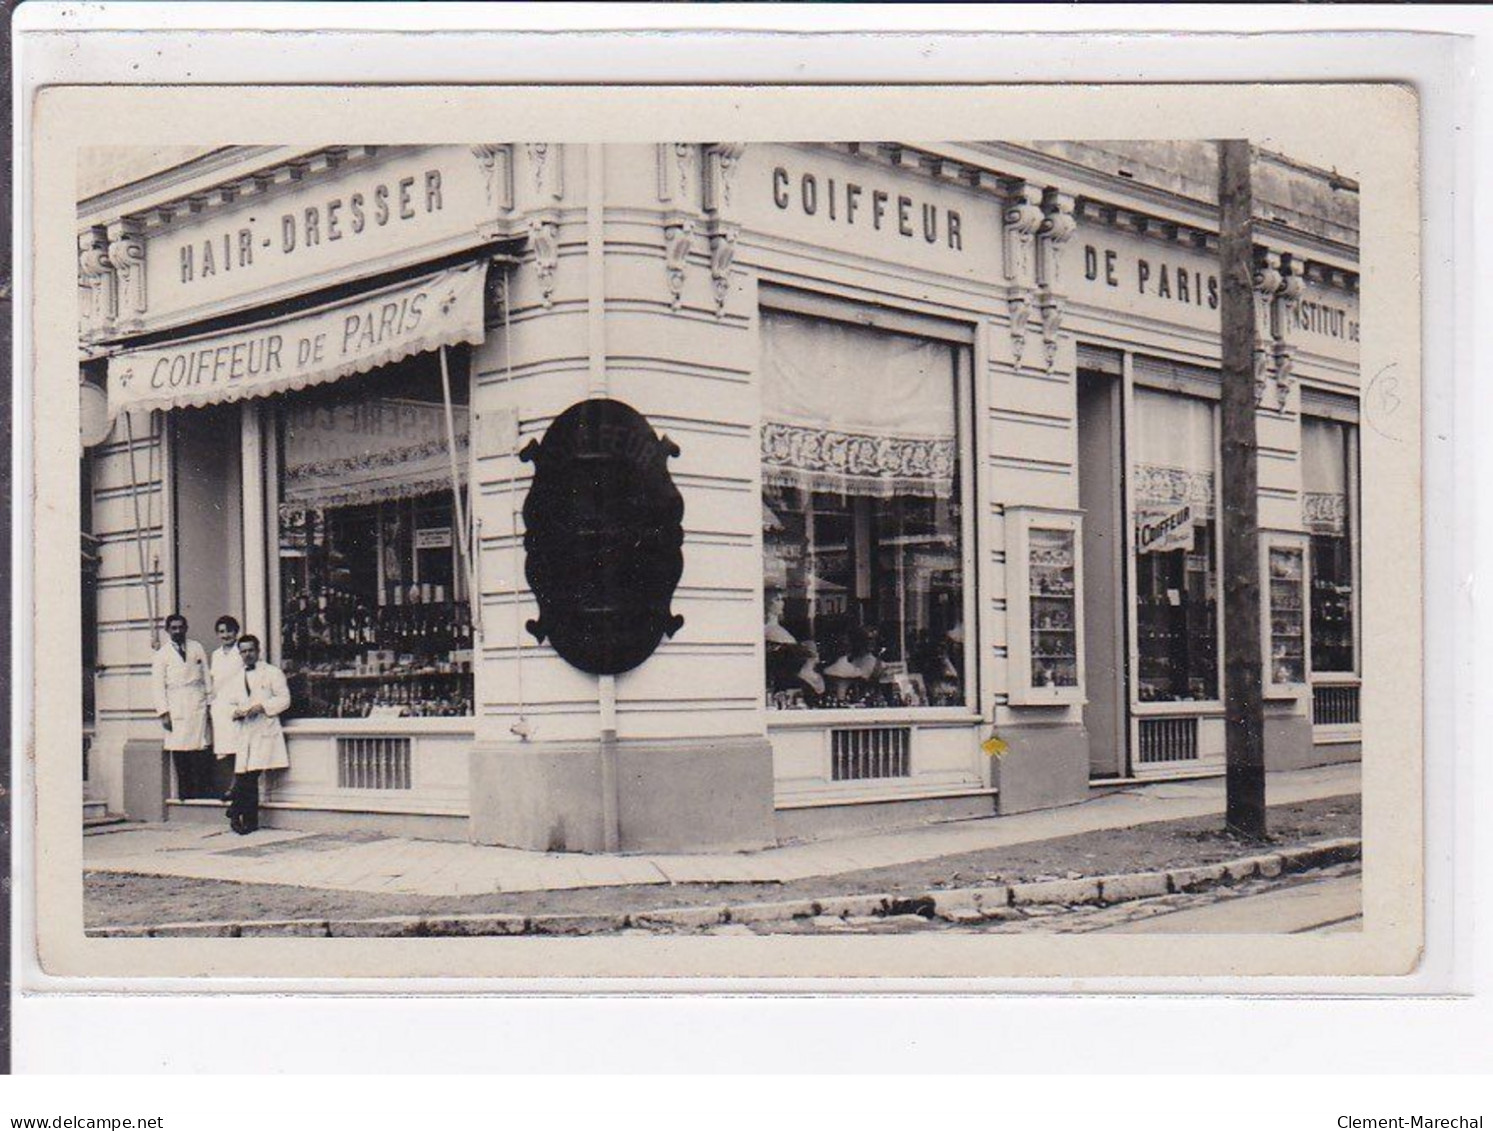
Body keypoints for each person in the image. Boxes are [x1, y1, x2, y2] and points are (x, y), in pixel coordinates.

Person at [224, 634, 291, 835]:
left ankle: (236, 811)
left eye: (251, 650)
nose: (247, 655)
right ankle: (247, 821)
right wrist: (235, 713)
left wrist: (263, 706)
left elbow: (285, 700)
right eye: (243, 651)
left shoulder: (272, 673)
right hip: (246, 731)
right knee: (248, 776)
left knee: (250, 775)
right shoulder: (236, 678)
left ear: (258, 650)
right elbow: (229, 703)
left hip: (264, 729)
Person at [150, 613, 211, 800]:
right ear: (167, 631)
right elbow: (157, 685)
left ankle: (201, 794)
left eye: (181, 627)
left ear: (186, 628)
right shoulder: (162, 655)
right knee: (179, 750)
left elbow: (206, 675)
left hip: (197, 703)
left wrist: (209, 702)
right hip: (175, 705)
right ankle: (185, 795)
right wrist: (163, 713)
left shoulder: (196, 647)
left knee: (199, 750)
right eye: (174, 628)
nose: (178, 631)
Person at [207, 615, 245, 802]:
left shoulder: (242, 652)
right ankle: (232, 784)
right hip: (220, 706)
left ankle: (237, 786)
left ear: (236, 632)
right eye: (222, 632)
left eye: (229, 631)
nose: (226, 635)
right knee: (226, 749)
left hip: (238, 705)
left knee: (239, 747)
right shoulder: (216, 655)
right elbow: (214, 681)